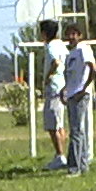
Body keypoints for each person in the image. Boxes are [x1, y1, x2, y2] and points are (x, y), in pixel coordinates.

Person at [59, 28, 96, 173]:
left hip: (80, 95)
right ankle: (82, 165)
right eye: (68, 34)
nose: (70, 37)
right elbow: (72, 75)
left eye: (74, 34)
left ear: (79, 35)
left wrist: (83, 89)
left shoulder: (84, 49)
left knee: (76, 132)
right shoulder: (71, 53)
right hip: (71, 94)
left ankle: (74, 167)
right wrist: (65, 89)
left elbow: (93, 69)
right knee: (77, 131)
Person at [35, 20, 67, 169]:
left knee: (52, 125)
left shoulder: (51, 47)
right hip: (63, 87)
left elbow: (56, 62)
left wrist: (48, 76)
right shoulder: (62, 45)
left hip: (54, 88)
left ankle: (60, 155)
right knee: (60, 123)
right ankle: (61, 154)